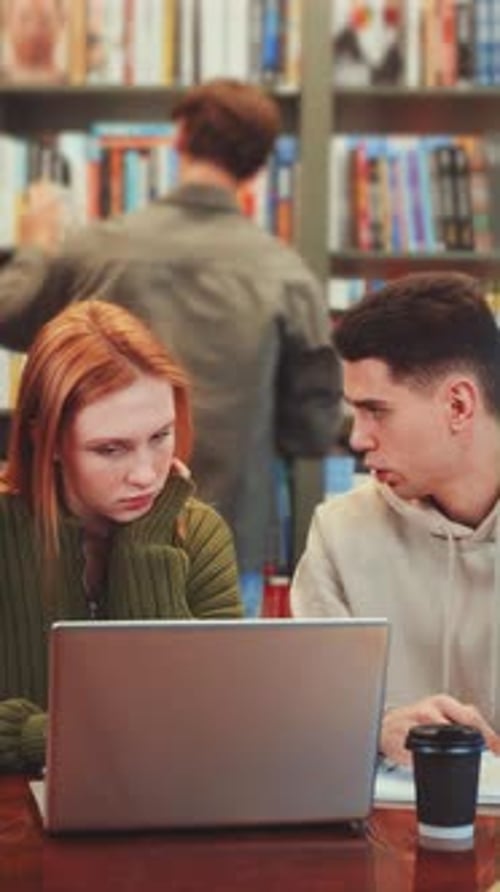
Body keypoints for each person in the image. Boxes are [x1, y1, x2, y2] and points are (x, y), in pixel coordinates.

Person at [0, 77, 340, 576]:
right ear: (260, 166)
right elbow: (313, 429)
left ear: (178, 139)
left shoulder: (95, 249)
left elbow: (9, 314)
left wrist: (34, 244)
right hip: (221, 542)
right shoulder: (287, 275)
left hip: (91, 540)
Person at [0, 299, 243, 773]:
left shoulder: (198, 535)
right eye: (110, 449)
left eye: (160, 436)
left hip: (161, 815)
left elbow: (211, 721)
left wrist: (146, 547)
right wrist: (52, 739)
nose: (145, 475)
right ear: (44, 440)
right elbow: (152, 731)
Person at [291, 272, 500, 765]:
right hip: (388, 831)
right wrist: (377, 733)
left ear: (458, 405)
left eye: (375, 411)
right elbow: (304, 731)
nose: (358, 438)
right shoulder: (339, 533)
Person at [0, 0, 68, 84]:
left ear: (61, 22)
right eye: (25, 18)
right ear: (7, 19)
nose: (34, 30)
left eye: (45, 20)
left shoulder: (76, 86)